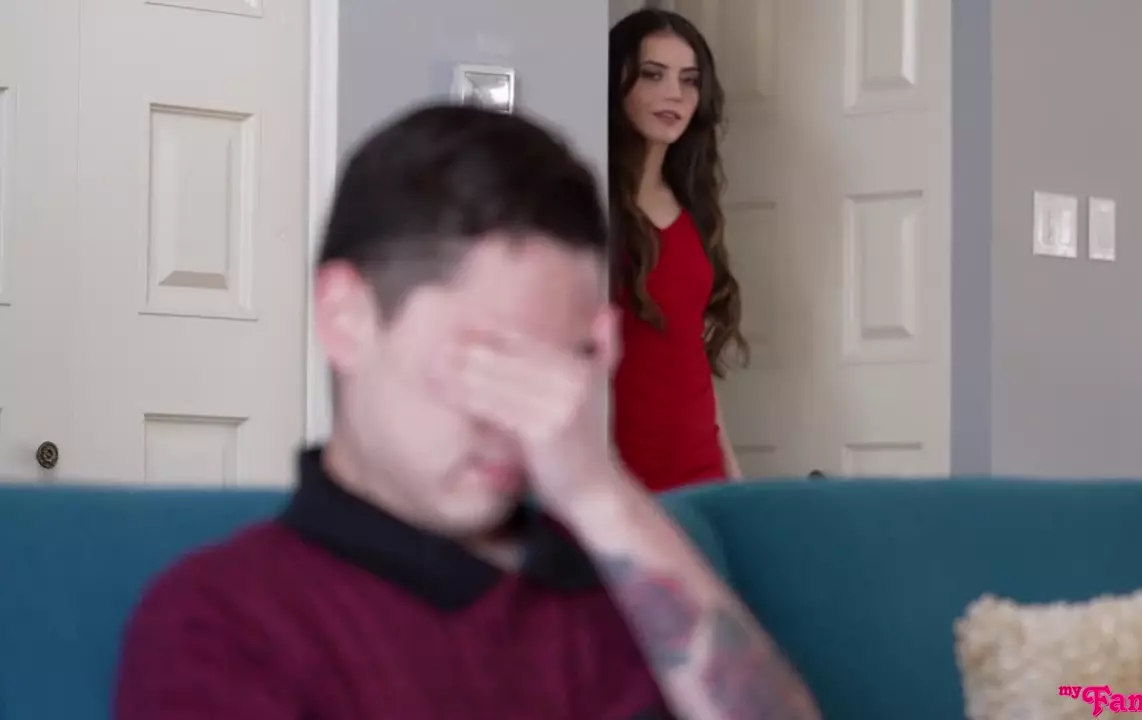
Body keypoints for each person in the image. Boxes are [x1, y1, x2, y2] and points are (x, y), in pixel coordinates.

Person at [112, 105, 819, 720]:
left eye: (559, 366)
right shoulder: (223, 619)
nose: (523, 419)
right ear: (346, 318)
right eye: (485, 363)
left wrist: (601, 494)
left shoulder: (616, 581)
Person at [609, 9, 749, 493]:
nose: (675, 94)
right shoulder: (591, 204)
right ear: (618, 82)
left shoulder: (693, 207)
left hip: (701, 469)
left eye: (689, 80)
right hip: (620, 471)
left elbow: (691, 355)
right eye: (653, 75)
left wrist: (732, 473)